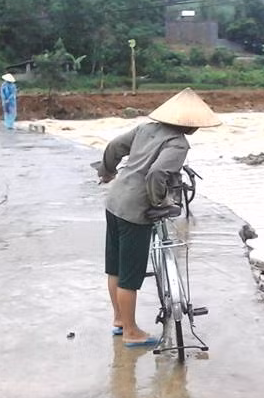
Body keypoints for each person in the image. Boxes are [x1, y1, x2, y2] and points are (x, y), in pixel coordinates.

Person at [94, 88, 221, 347]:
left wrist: (107, 172)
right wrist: (157, 202)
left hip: (115, 200)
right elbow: (157, 174)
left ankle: (119, 320)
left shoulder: (145, 129)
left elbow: (114, 146)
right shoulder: (178, 143)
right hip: (134, 210)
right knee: (131, 274)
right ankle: (131, 331)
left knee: (115, 266)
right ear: (192, 125)